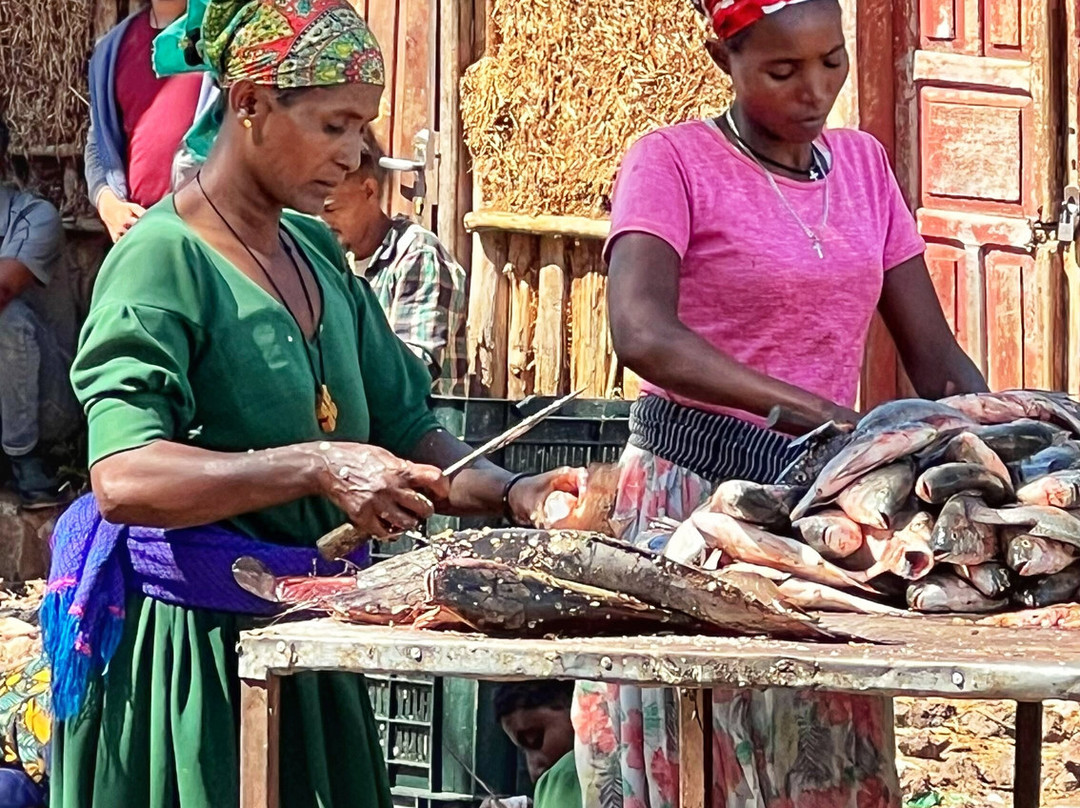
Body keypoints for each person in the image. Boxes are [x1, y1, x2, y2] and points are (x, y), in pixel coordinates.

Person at [42, 2, 580, 806]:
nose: (356, 152)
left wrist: (515, 494)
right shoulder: (161, 263)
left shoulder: (318, 256)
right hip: (190, 669)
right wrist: (316, 466)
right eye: (335, 125)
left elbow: (406, 429)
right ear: (251, 103)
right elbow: (123, 477)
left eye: (363, 127)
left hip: (309, 652)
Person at [581, 1, 989, 807]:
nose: (816, 90)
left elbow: (936, 361)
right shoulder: (671, 163)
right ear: (721, 58)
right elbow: (642, 333)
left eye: (832, 62)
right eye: (782, 70)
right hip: (690, 507)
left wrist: (1001, 444)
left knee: (817, 751)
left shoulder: (864, 167)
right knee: (695, 754)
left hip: (815, 514)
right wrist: (810, 410)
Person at [323, 130, 468, 395]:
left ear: (368, 190)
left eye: (330, 209)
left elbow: (413, 374)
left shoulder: (418, 256)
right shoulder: (336, 259)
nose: (321, 222)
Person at [0, 118, 80, 508]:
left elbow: (3, 289)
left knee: (7, 318)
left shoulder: (35, 216)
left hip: (48, 405)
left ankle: (25, 459)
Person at [84, 0, 214, 241]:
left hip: (210, 232)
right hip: (139, 235)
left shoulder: (221, 40)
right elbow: (98, 142)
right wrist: (107, 202)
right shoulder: (110, 50)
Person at [490, 681, 581, 808]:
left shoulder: (572, 768)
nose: (533, 768)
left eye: (535, 739)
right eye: (523, 751)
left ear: (574, 707)